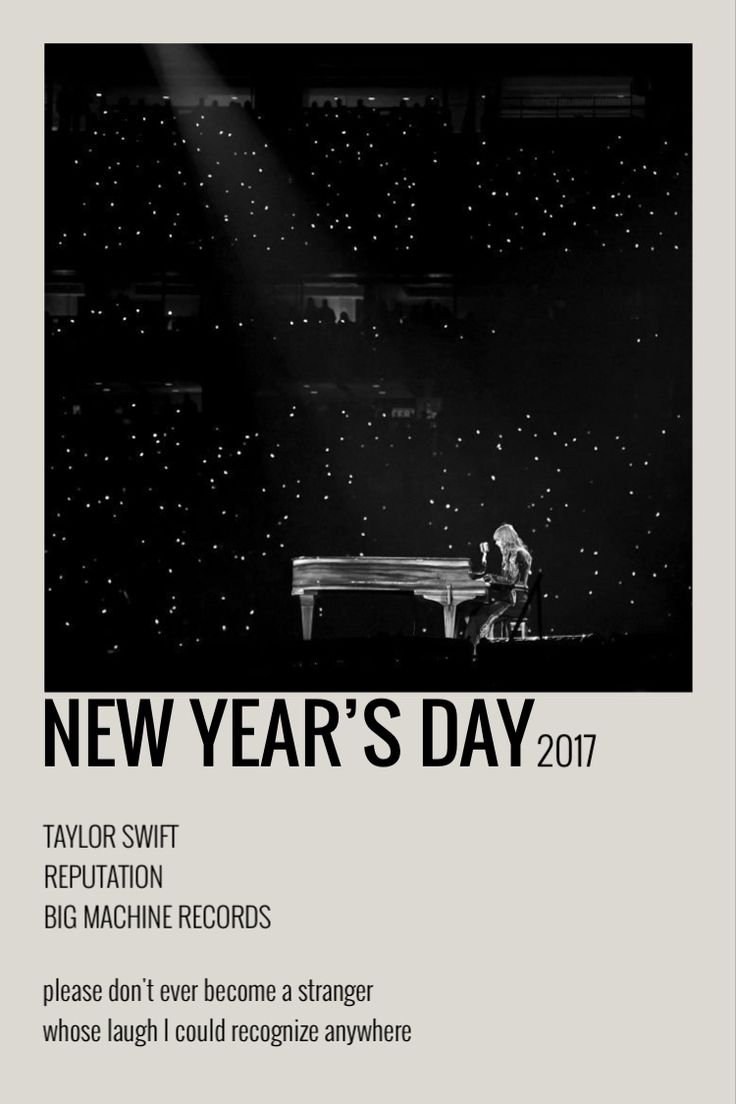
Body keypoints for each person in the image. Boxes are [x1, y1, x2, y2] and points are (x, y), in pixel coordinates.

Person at [463, 524, 532, 654]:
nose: (496, 543)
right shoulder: (508, 556)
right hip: (509, 599)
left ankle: (473, 653)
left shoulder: (520, 554)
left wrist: (489, 578)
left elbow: (511, 581)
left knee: (482, 617)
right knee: (476, 613)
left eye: (498, 540)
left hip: (517, 602)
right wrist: (489, 578)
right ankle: (473, 652)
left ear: (506, 539)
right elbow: (506, 581)